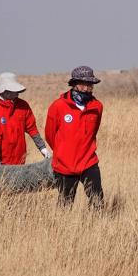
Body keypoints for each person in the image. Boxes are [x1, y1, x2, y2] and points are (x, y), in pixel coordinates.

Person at [45, 66, 104, 209]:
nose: (87, 88)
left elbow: (93, 132)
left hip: (88, 161)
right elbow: (50, 134)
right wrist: (62, 150)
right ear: (74, 84)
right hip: (64, 164)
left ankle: (96, 228)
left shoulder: (97, 106)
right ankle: (64, 230)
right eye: (83, 84)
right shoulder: (58, 106)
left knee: (97, 200)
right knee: (65, 204)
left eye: (90, 84)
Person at [0, 72, 51, 177]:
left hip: (18, 160)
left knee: (17, 191)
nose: (17, 93)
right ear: (5, 91)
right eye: (14, 91)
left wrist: (43, 148)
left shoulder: (23, 106)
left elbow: (32, 128)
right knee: (2, 191)